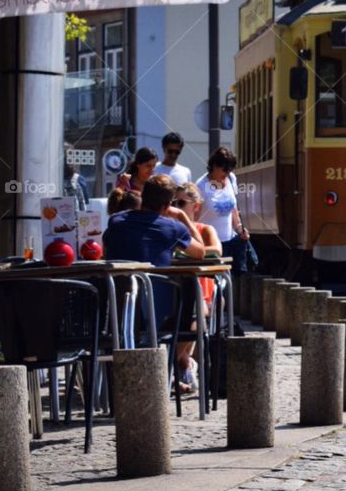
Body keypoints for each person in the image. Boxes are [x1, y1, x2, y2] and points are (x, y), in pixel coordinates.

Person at [104, 178, 205, 326]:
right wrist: (182, 217)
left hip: (117, 308)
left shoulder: (116, 221)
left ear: (143, 197)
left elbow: (106, 253)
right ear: (168, 205)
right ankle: (182, 349)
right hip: (157, 311)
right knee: (192, 292)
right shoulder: (173, 227)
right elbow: (200, 251)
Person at [172, 182, 222, 392]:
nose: (176, 207)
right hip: (174, 291)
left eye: (181, 202)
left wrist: (186, 251)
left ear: (196, 206)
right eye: (173, 202)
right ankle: (185, 363)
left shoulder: (205, 229)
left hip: (201, 291)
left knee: (195, 315)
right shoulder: (169, 229)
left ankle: (174, 365)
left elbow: (216, 250)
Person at [196, 146, 250, 271]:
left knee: (231, 283)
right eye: (225, 169)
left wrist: (239, 228)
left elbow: (233, 208)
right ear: (214, 165)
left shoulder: (231, 179)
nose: (227, 173)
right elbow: (195, 218)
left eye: (230, 170)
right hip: (211, 246)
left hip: (230, 241)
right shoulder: (201, 186)